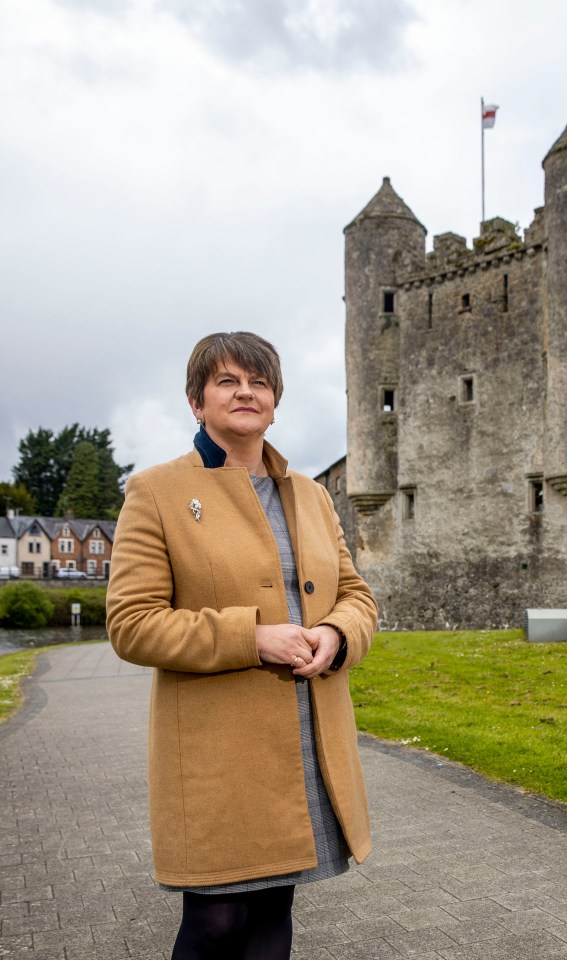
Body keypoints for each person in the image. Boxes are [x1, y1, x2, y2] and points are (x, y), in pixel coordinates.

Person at [107, 331, 377, 960]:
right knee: (216, 922)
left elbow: (358, 596)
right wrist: (251, 638)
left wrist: (335, 635)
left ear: (275, 402)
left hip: (306, 735)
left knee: (274, 909)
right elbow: (131, 621)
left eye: (259, 382)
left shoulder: (312, 495)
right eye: (226, 381)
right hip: (217, 751)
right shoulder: (156, 492)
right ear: (197, 403)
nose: (245, 392)